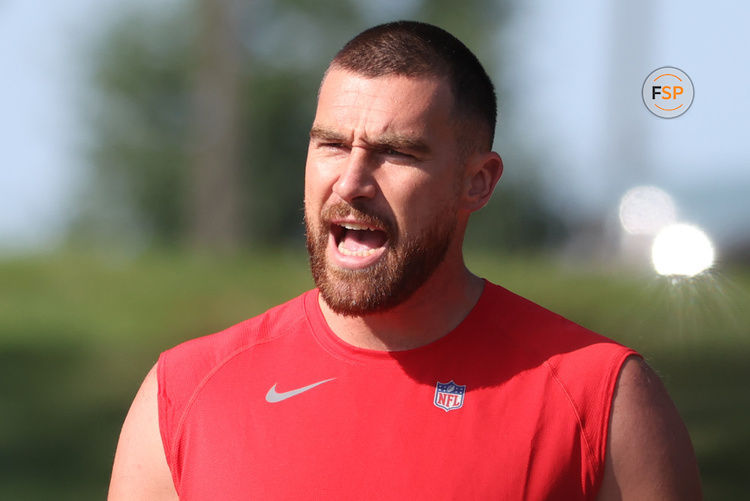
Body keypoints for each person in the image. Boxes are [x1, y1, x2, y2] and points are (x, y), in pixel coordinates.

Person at [109, 21, 702, 500]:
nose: (352, 181)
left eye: (395, 152)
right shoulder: (184, 395)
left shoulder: (601, 400)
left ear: (477, 182)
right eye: (332, 145)